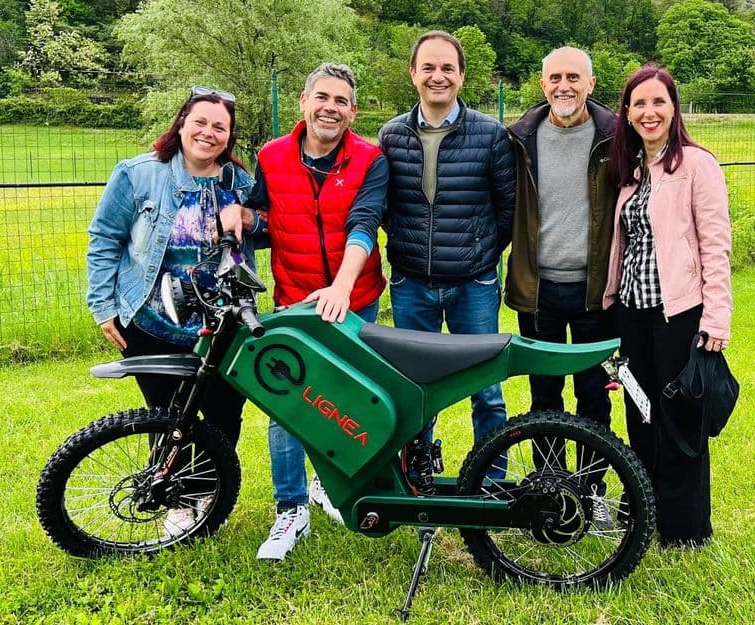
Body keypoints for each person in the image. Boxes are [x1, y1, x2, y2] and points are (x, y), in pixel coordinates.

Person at [86, 86, 257, 535]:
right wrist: (103, 306)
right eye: (200, 122)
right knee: (167, 415)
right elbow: (104, 240)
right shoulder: (138, 175)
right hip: (153, 322)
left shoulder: (240, 183)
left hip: (221, 326)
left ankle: (206, 495)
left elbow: (268, 232)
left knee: (223, 415)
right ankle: (175, 499)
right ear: (181, 123)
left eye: (220, 127)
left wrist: (247, 216)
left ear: (229, 135)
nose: (208, 132)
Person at [245, 63, 388, 561]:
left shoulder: (370, 158)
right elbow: (262, 216)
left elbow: (365, 223)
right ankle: (290, 508)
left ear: (353, 110)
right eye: (322, 97)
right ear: (304, 102)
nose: (331, 108)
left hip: (355, 297)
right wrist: (241, 216)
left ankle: (331, 483)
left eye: (341, 101)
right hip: (293, 297)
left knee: (347, 397)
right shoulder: (271, 156)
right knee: (285, 398)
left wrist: (343, 287)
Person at [603, 64, 732, 548]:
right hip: (632, 317)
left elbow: (715, 246)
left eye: (658, 102)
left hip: (678, 316)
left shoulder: (698, 165)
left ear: (673, 108)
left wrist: (716, 317)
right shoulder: (632, 170)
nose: (649, 112)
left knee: (679, 421)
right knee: (640, 414)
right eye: (639, 104)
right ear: (628, 114)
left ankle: (685, 528)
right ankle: (645, 507)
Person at [378, 31, 515, 464]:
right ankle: (418, 477)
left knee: (486, 388)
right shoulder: (391, 135)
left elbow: (507, 207)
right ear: (413, 74)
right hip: (411, 284)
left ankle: (490, 482)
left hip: (473, 284)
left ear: (461, 75)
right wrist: (404, 242)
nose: (439, 77)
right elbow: (384, 205)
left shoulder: (490, 134)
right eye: (429, 68)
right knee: (415, 389)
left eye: (448, 68)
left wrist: (479, 254)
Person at [506, 47, 618, 529]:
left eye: (574, 77)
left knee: (594, 394)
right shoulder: (519, 139)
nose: (564, 86)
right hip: (539, 291)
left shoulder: (617, 136)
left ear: (591, 84)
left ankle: (593, 495)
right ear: (542, 83)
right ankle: (551, 492)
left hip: (596, 292)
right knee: (544, 394)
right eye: (555, 77)